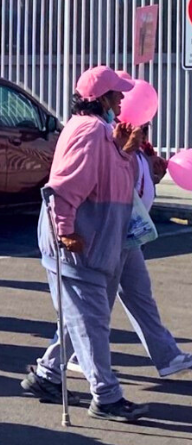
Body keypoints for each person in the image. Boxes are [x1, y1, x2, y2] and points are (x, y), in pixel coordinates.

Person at [21, 65, 149, 422]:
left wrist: (124, 152)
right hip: (79, 244)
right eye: (117, 94)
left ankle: (45, 376)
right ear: (102, 99)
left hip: (90, 242)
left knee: (79, 319)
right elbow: (62, 188)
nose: (122, 100)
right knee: (91, 322)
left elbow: (110, 178)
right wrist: (64, 231)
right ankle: (106, 396)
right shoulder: (91, 131)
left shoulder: (100, 132)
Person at [66, 124, 192, 378]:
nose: (145, 132)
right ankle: (55, 364)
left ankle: (167, 356)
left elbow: (138, 184)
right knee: (95, 305)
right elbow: (110, 180)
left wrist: (152, 170)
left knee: (139, 295)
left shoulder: (140, 149)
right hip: (112, 232)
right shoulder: (111, 140)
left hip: (129, 234)